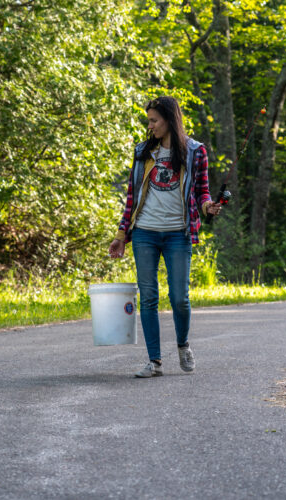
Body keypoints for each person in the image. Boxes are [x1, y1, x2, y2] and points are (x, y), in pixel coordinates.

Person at [108, 96, 222, 378]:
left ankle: (183, 344)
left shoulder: (196, 151)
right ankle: (155, 361)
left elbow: (202, 191)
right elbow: (132, 197)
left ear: (170, 120)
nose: (150, 126)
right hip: (145, 232)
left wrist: (207, 206)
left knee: (179, 298)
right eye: (149, 120)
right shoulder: (143, 151)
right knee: (148, 297)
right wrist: (122, 234)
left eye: (154, 120)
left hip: (178, 234)